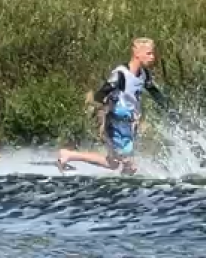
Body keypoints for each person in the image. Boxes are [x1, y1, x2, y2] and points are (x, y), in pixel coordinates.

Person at [57, 37, 167, 174]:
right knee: (129, 165)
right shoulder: (121, 74)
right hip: (115, 123)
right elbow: (100, 94)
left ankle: (68, 155)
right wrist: (108, 107)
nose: (153, 57)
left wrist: (169, 109)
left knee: (113, 163)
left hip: (129, 125)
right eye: (149, 53)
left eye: (153, 53)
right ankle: (125, 190)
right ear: (137, 54)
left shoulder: (144, 74)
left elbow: (155, 93)